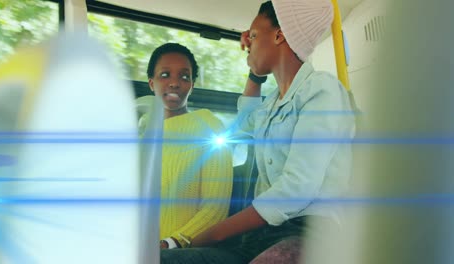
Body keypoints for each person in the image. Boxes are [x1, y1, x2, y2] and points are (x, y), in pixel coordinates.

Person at [160, 0, 355, 263]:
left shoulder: (321, 91)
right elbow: (243, 123)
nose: (247, 43)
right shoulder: (273, 103)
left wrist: (213, 234)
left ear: (279, 35)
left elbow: (296, 189)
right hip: (259, 237)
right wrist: (255, 74)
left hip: (307, 234)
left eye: (253, 35)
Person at [138, 43, 233, 250]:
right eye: (165, 75)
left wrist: (169, 244)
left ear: (192, 85)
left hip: (178, 252)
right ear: (151, 83)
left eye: (184, 76)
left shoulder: (209, 127)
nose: (174, 83)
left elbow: (215, 210)